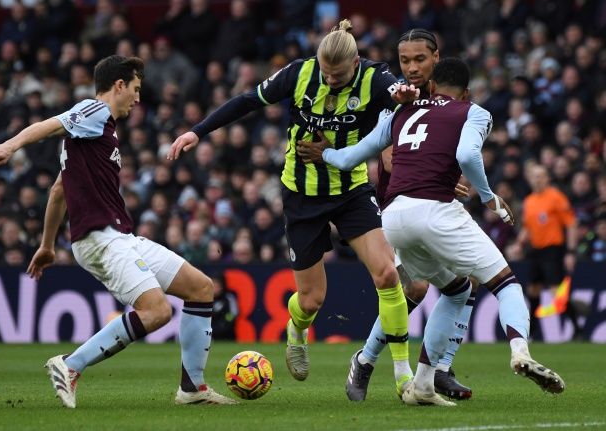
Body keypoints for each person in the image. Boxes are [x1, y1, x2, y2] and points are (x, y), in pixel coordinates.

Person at [0, 55, 237, 408]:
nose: (138, 98)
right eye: (136, 89)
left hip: (118, 236)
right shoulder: (94, 112)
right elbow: (49, 125)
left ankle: (192, 388)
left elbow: (57, 191)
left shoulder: (91, 135)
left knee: (201, 288)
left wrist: (48, 244)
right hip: (101, 238)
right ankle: (70, 365)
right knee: (157, 312)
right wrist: (11, 145)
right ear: (119, 86)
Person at [303, 57, 565, 406]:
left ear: (432, 78)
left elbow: (352, 158)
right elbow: (468, 155)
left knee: (451, 290)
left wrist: (325, 154)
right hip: (434, 211)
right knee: (504, 283)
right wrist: (489, 197)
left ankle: (422, 381)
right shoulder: (472, 111)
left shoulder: (398, 111)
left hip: (393, 216)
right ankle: (519, 351)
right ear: (466, 91)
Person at [169, 19, 413, 392]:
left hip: (352, 191)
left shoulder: (375, 79)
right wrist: (196, 131)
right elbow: (247, 101)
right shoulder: (299, 74)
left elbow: (400, 91)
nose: (330, 80)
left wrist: (405, 95)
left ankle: (403, 377)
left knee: (387, 275)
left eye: (338, 74)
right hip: (301, 196)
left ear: (355, 62)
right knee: (313, 299)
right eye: (326, 73)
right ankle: (296, 330)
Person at [299, 28, 473, 401]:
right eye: (405, 61)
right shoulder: (393, 98)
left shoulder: (445, 100)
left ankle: (414, 366)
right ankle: (400, 365)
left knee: (454, 284)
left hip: (433, 202)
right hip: (396, 204)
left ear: (436, 58)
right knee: (418, 286)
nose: (411, 68)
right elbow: (387, 152)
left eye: (419, 60)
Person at [516, 164, 583, 339]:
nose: (537, 180)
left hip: (553, 250)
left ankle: (577, 328)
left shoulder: (556, 197)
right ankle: (534, 331)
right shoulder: (529, 201)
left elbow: (571, 224)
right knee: (533, 290)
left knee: (555, 292)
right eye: (534, 176)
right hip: (536, 250)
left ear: (547, 178)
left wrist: (571, 251)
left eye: (540, 176)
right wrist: (519, 244)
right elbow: (528, 228)